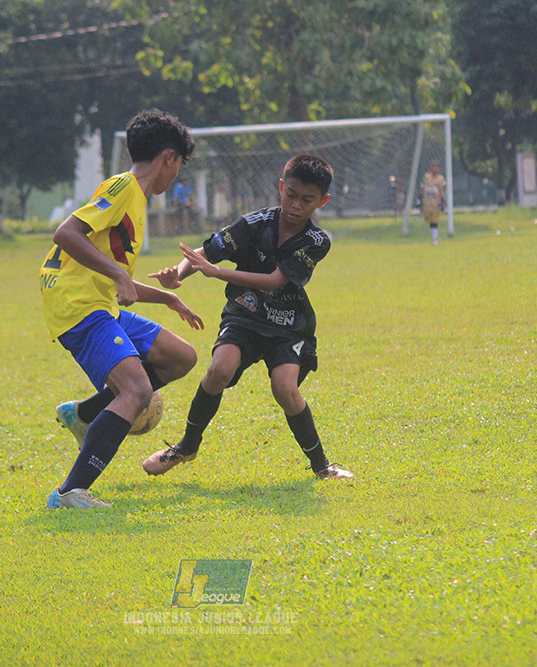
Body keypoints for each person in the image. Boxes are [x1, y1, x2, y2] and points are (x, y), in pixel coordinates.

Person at [142, 154, 354, 480]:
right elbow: (204, 254)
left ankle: (322, 466)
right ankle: (186, 447)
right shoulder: (254, 224)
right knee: (218, 371)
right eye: (291, 195)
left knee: (285, 389)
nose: (296, 205)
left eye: (307, 200)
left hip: (288, 325)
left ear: (322, 201)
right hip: (245, 314)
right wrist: (178, 276)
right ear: (281, 187)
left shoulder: (316, 241)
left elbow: (274, 281)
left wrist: (218, 273)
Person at [42, 109, 204, 510]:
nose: (176, 176)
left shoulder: (133, 198)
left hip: (97, 303)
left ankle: (85, 415)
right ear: (168, 158)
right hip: (79, 306)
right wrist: (118, 274)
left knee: (180, 356)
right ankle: (70, 492)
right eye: (179, 166)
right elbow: (66, 233)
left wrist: (167, 297)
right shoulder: (124, 187)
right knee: (137, 390)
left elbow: (116, 282)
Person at [421, 161, 446, 246]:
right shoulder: (427, 177)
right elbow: (422, 187)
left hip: (436, 203)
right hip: (427, 203)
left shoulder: (440, 179)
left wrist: (442, 201)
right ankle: (434, 236)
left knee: (435, 221)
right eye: (433, 167)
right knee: (429, 221)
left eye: (436, 167)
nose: (435, 169)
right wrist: (419, 198)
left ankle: (435, 238)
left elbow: (441, 190)